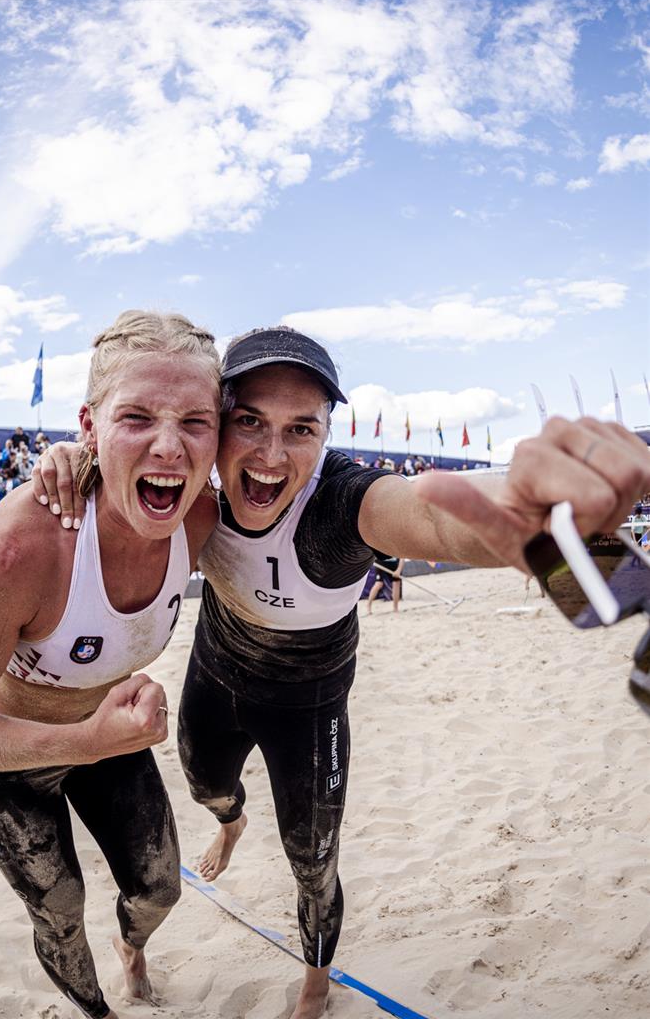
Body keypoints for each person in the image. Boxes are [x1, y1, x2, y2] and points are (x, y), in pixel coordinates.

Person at [34, 325, 650, 1019]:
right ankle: (231, 824)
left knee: (313, 863)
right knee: (207, 787)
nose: (271, 456)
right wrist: (74, 458)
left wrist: (540, 513)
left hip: (308, 704)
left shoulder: (339, 505)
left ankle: (314, 985)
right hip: (218, 673)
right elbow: (113, 470)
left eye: (301, 429)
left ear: (327, 435)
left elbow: (432, 516)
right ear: (216, 427)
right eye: (249, 422)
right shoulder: (189, 488)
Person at [0, 310, 222, 1019]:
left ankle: (131, 950)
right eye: (136, 417)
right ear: (89, 425)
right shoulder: (16, 551)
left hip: (106, 740)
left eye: (194, 422)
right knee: (59, 911)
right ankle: (98, 1013)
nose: (169, 446)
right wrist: (82, 741)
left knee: (159, 891)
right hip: (9, 758)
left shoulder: (203, 518)